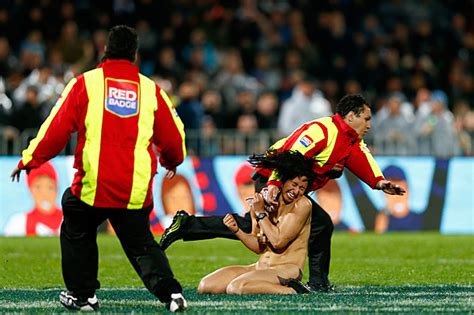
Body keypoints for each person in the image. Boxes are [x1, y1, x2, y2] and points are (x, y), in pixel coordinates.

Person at [10, 25, 188, 313]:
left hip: (94, 184)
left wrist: (30, 159)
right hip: (134, 187)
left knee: (76, 225)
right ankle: (172, 294)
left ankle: (83, 296)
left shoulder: (85, 84)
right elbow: (174, 138)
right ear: (135, 55)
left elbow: (55, 129)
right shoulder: (151, 90)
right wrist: (172, 161)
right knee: (141, 243)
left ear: (104, 50)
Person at [160, 94, 406, 292]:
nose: (369, 125)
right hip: (273, 177)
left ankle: (188, 225)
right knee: (259, 228)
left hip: (287, 184)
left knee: (315, 225)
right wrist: (273, 187)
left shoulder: (349, 140)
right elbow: (289, 153)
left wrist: (380, 183)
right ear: (351, 116)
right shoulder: (322, 130)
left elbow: (362, 159)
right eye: (366, 118)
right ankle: (317, 284)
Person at [198, 151, 314, 294]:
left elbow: (278, 242)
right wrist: (237, 231)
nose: (296, 191)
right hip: (261, 267)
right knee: (206, 286)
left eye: (302, 188)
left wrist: (260, 214)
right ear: (283, 181)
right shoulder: (263, 202)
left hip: (287, 268)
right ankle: (268, 284)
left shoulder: (302, 205)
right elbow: (259, 247)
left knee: (236, 287)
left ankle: (292, 290)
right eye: (294, 184)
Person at [4, 161, 62, 236]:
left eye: (50, 187)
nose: (44, 194)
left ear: (56, 190)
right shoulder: (19, 223)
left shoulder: (71, 220)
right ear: (30, 190)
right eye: (38, 187)